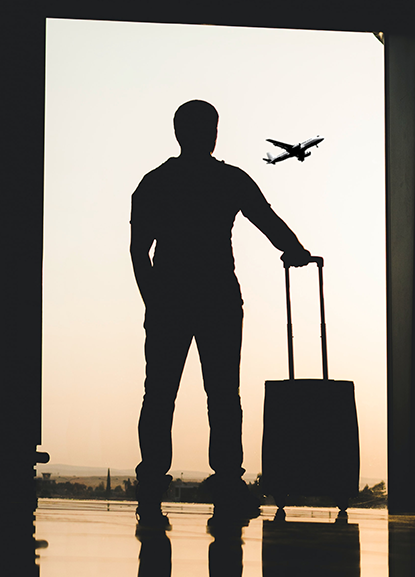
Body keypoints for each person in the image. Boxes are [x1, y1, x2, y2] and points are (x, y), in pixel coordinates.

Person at [130, 100, 311, 527]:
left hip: (170, 299)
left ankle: (151, 488)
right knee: (224, 397)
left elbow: (140, 251)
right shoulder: (228, 179)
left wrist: (153, 301)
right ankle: (228, 483)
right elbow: (265, 219)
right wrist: (296, 250)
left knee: (159, 397)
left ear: (177, 133)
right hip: (218, 299)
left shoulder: (155, 183)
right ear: (212, 132)